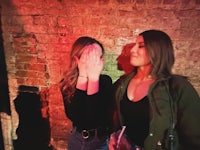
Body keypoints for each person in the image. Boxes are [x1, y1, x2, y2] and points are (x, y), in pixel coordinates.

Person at [110, 29, 200, 150]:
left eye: (141, 46)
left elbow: (194, 137)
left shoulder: (177, 87)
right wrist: (116, 138)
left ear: (157, 50)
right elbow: (118, 121)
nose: (132, 50)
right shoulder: (122, 83)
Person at [59, 36, 114, 150]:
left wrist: (93, 79)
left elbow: (93, 120)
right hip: (76, 137)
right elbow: (76, 117)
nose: (92, 62)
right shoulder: (67, 84)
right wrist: (83, 77)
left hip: (99, 140)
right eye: (88, 57)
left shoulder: (105, 81)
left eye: (96, 57)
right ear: (76, 59)